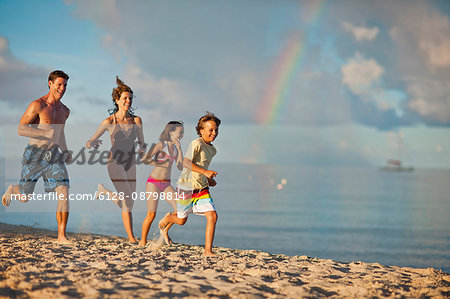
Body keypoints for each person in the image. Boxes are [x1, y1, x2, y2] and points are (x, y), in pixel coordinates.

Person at [2, 70, 72, 242]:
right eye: (59, 84)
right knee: (25, 197)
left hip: (54, 155)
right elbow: (21, 129)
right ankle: (12, 189)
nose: (62, 88)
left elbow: (60, 133)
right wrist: (43, 134)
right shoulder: (38, 105)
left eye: (65, 85)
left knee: (63, 191)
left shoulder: (65, 111)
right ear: (50, 83)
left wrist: (65, 151)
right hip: (34, 154)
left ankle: (61, 235)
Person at [86, 76, 145, 243]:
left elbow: (142, 143)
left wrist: (142, 150)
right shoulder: (109, 121)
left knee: (130, 203)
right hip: (115, 162)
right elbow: (88, 142)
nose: (128, 101)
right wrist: (93, 143)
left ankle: (105, 192)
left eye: (130, 98)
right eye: (125, 98)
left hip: (131, 162)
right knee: (127, 200)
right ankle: (132, 238)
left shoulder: (137, 121)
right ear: (117, 100)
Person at [158, 112, 220, 256]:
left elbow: (202, 165)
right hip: (186, 187)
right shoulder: (196, 143)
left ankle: (208, 251)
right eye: (210, 130)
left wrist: (209, 178)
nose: (214, 133)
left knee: (212, 216)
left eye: (216, 130)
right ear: (201, 130)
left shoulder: (213, 149)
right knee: (181, 221)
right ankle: (169, 218)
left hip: (202, 188)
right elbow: (186, 162)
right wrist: (205, 172)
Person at [139, 121, 184, 246]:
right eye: (180, 132)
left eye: (182, 132)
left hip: (166, 184)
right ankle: (142, 241)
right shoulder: (161, 145)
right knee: (151, 215)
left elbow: (180, 166)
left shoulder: (175, 148)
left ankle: (164, 230)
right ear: (171, 132)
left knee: (180, 211)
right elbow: (144, 159)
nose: (181, 135)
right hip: (153, 182)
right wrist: (159, 163)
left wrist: (179, 149)